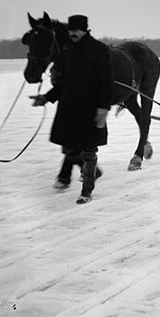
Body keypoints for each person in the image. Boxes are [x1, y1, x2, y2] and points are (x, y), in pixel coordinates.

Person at [30, 15, 113, 205]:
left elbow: (107, 83)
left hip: (90, 108)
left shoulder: (99, 50)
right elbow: (64, 82)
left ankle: (87, 191)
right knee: (69, 148)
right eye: (70, 30)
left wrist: (103, 109)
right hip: (68, 108)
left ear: (85, 30)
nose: (72, 33)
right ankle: (91, 173)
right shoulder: (67, 50)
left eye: (76, 30)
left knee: (89, 151)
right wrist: (46, 98)